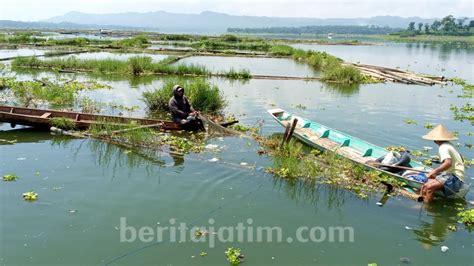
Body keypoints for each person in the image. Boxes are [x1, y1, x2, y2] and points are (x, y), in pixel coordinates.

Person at [420, 124, 465, 202]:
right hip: (452, 174)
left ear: (436, 139)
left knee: (429, 187)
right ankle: (423, 199)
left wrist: (435, 171)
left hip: (455, 177)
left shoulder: (443, 147)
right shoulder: (449, 145)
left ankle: (428, 207)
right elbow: (460, 158)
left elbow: (448, 163)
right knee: (426, 184)